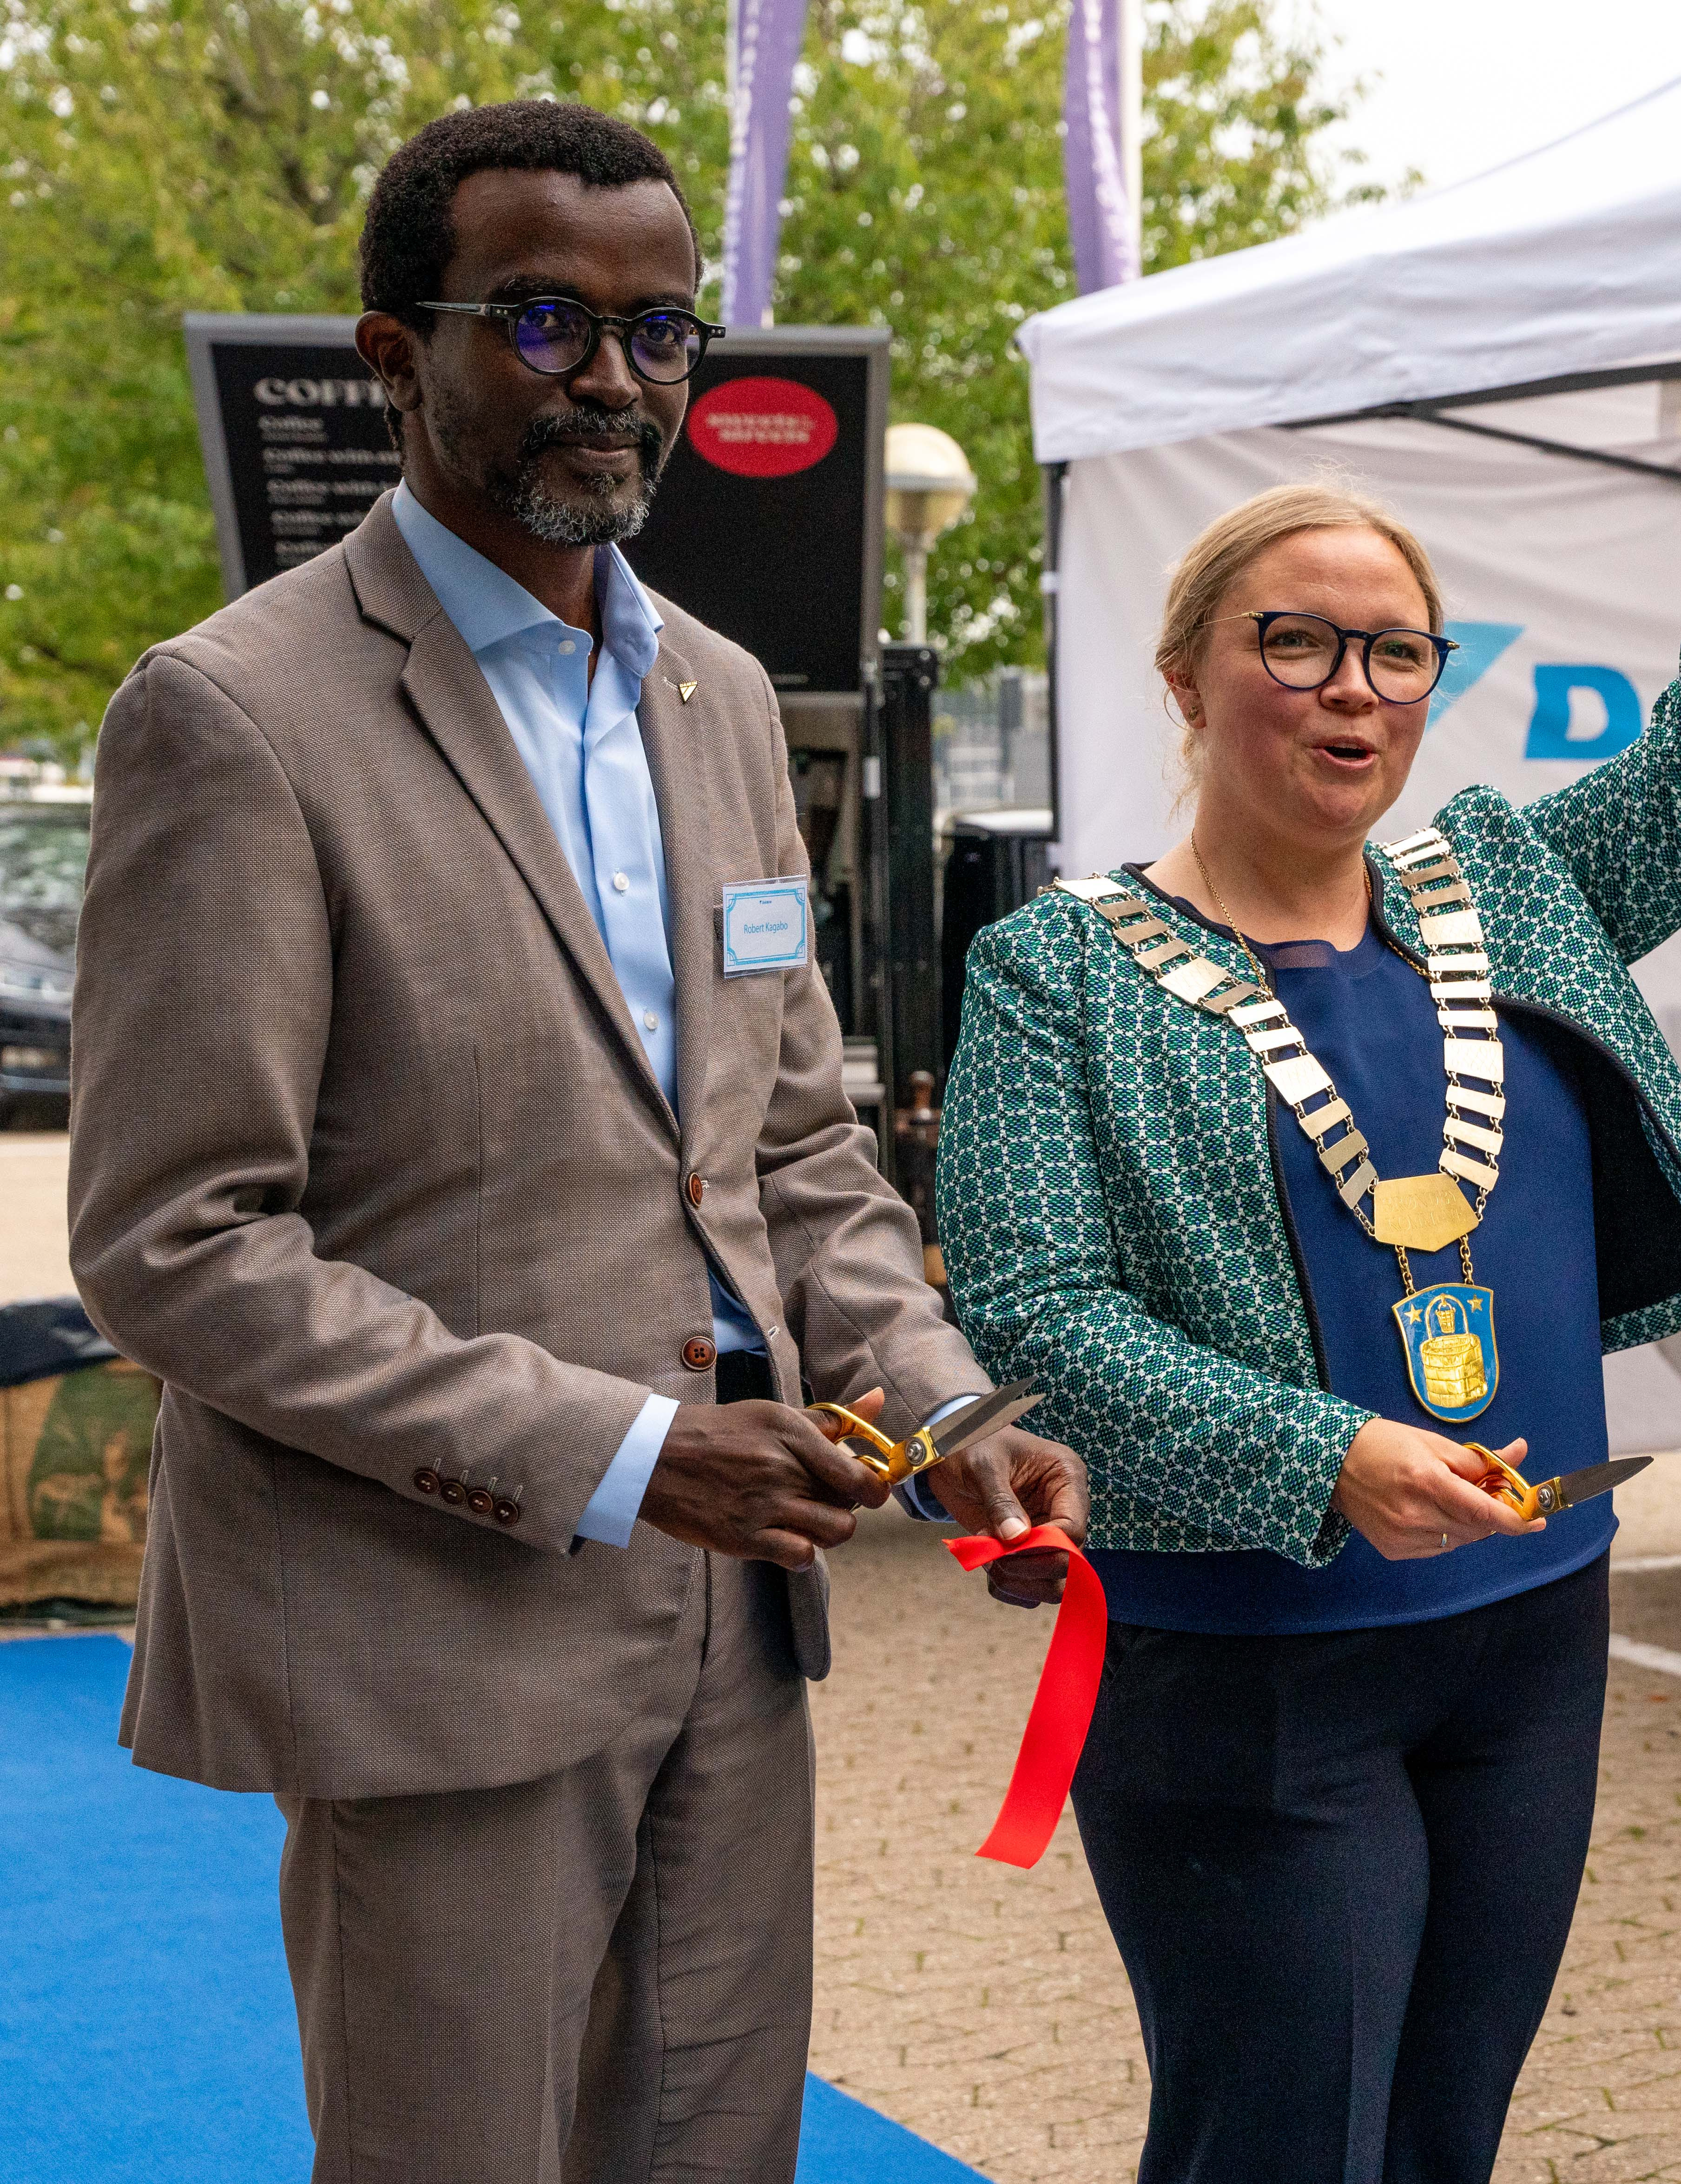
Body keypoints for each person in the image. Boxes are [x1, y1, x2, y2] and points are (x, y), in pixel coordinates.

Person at [67, 102, 1085, 2182]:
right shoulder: (235, 714)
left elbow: (791, 1138)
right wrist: (624, 1455)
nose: (614, 379)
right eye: (541, 320)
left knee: (713, 2150)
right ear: (389, 351)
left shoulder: (709, 694)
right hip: (431, 1624)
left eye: (660, 330)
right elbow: (179, 1244)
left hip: (733, 1630)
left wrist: (942, 1391)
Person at [932, 211, 1681, 2184]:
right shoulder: (1061, 968)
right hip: (1249, 1643)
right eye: (1295, 640)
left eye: (1395, 652)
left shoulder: (1503, 887)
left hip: (1528, 1619)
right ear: (1186, 672)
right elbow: (1035, 1305)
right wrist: (1325, 1447)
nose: (1351, 690)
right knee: (1281, 2136)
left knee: (1442, 2132)